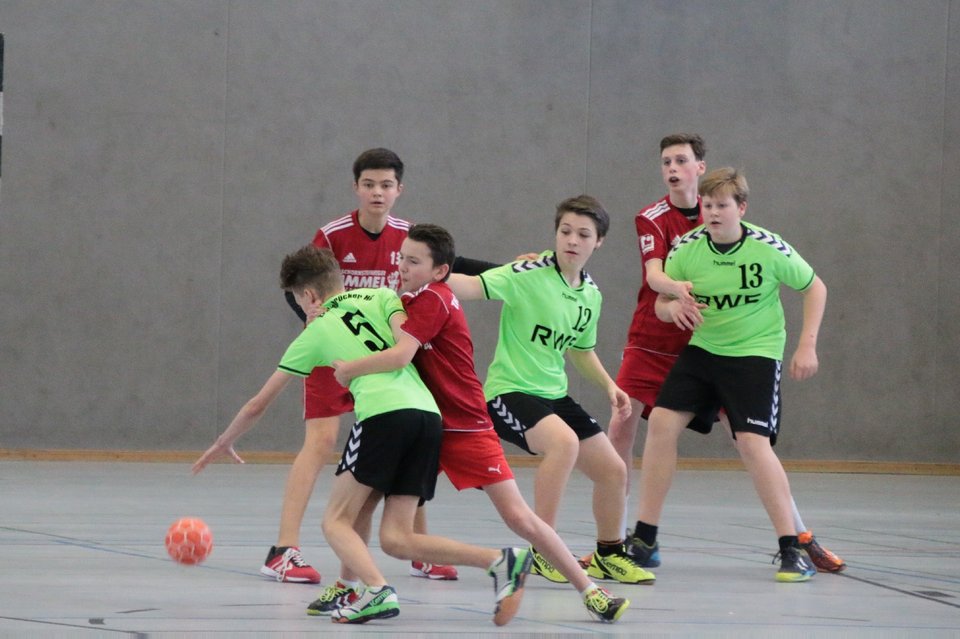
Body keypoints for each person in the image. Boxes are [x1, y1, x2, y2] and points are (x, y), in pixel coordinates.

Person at [193, 245, 532, 625]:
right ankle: (500, 560)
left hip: (383, 418)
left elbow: (258, 404)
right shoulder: (384, 297)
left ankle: (376, 589)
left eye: (298, 300)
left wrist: (224, 441)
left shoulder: (314, 332)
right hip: (427, 417)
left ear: (310, 296)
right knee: (397, 539)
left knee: (335, 521)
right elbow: (405, 343)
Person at [323, 223, 630, 623]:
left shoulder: (433, 299)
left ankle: (590, 590)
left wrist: (349, 369)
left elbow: (400, 355)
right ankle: (350, 586)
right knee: (382, 525)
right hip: (424, 427)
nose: (402, 267)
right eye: (401, 258)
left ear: (440, 271)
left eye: (413, 261)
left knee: (519, 517)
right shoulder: (410, 300)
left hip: (465, 426)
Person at [604, 134, 845, 573]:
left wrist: (806, 345)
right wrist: (673, 306)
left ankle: (792, 546)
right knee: (660, 423)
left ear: (741, 208)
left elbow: (815, 287)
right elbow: (660, 300)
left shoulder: (767, 247)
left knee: (751, 442)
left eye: (722, 206)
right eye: (709, 206)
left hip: (754, 354)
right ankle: (644, 538)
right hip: (702, 350)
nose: (714, 213)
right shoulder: (686, 247)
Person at [264, 147, 456, 583]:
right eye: (369, 184)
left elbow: (451, 267)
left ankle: (418, 548)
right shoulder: (332, 236)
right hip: (335, 352)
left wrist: (512, 268)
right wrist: (310, 319)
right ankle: (283, 549)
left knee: (405, 436)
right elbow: (298, 283)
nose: (377, 192)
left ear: (399, 190)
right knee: (321, 441)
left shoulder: (408, 237)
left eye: (386, 185)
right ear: (356, 188)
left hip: (382, 353)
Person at [448, 196, 655, 586]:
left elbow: (580, 350)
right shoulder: (528, 273)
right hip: (509, 392)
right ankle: (544, 549)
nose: (572, 240)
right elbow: (469, 286)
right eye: (565, 231)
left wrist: (609, 385)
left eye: (583, 234)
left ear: (599, 242)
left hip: (553, 396)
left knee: (613, 470)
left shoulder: (590, 295)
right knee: (563, 444)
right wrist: (427, 273)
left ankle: (609, 555)